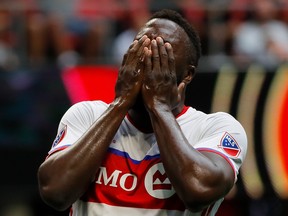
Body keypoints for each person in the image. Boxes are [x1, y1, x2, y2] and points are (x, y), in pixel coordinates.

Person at [38, 9, 247, 216]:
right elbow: (55, 192)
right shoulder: (87, 115)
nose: (147, 63)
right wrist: (120, 103)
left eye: (161, 57)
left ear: (187, 74)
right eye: (140, 50)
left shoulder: (216, 128)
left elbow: (199, 191)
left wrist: (160, 107)